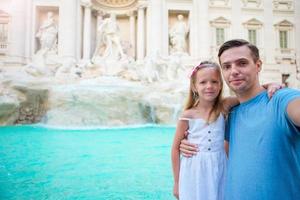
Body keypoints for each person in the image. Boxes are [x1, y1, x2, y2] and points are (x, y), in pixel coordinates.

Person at [180, 39, 300, 199]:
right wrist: (187, 144)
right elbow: (221, 151)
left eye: (242, 63)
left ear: (258, 65)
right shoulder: (229, 113)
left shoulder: (280, 99)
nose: (234, 71)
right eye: (227, 66)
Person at [171, 61, 239, 200]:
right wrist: (177, 182)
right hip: (194, 168)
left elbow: (250, 95)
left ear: (220, 85)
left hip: (219, 164)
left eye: (214, 81)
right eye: (203, 82)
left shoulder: (225, 106)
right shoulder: (188, 115)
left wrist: (269, 86)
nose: (209, 86)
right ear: (194, 87)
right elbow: (175, 149)